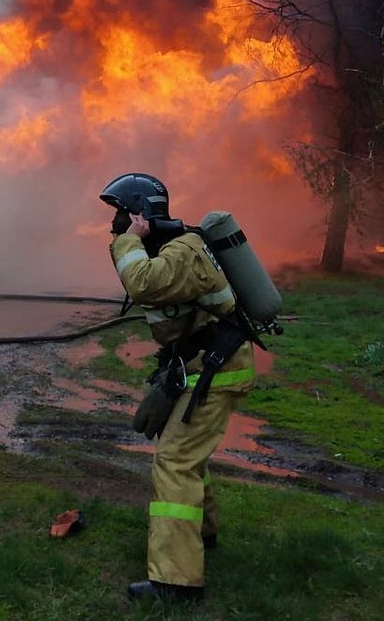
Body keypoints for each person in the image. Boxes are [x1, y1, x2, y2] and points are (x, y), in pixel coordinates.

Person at [100, 172, 270, 604]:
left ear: (142, 212)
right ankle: (201, 534)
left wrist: (129, 240)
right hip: (201, 367)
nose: (115, 223)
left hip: (218, 371)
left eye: (122, 214)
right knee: (184, 452)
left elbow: (144, 282)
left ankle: (175, 582)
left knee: (175, 461)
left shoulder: (184, 252)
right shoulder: (170, 249)